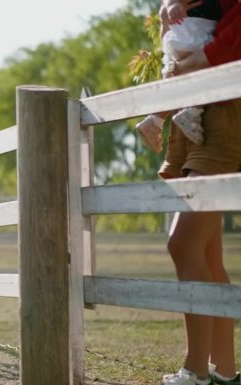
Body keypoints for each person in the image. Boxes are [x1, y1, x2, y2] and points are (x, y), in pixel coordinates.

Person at [154, 2, 241, 384]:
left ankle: (194, 371)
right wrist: (163, 20)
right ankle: (223, 370)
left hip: (226, 118)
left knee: (183, 245)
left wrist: (181, 69)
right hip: (196, 116)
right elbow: (171, 52)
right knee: (207, 252)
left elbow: (217, 57)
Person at [137, 0, 223, 153]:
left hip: (188, 28)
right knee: (207, 62)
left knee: (183, 74)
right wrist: (171, 5)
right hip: (193, 28)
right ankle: (191, 112)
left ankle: (155, 120)